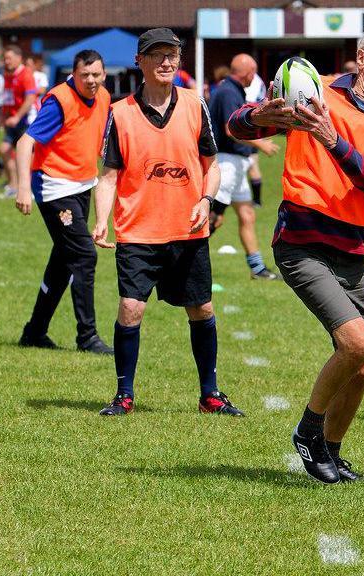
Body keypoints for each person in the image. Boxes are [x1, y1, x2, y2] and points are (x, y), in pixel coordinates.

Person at [228, 24, 364, 483]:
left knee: (363, 366)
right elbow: (235, 125)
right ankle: (308, 432)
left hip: (351, 247)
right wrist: (260, 116)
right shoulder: (314, 90)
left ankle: (329, 452)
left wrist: (330, 136)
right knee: (357, 342)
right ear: (362, 57)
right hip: (301, 241)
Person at [92, 28, 243, 418]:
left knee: (202, 309)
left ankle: (210, 395)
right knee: (130, 308)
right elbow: (108, 175)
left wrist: (206, 200)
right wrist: (101, 221)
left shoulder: (195, 104)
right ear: (139, 62)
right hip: (138, 230)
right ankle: (124, 396)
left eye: (172, 55)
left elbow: (212, 166)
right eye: (157, 55)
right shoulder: (121, 113)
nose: (166, 62)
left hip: (188, 230)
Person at [12, 49, 112, 354]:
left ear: (104, 74)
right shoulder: (60, 100)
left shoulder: (105, 97)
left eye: (96, 74)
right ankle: (87, 337)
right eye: (85, 75)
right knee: (84, 256)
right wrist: (22, 188)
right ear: (74, 73)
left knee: (63, 263)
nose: (91, 81)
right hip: (55, 188)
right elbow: (25, 141)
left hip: (82, 185)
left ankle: (34, 331)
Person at [207, 53, 280, 279]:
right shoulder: (228, 92)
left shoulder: (229, 89)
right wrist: (261, 144)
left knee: (247, 215)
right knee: (213, 218)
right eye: (254, 72)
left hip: (237, 164)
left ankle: (257, 269)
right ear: (248, 72)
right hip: (227, 164)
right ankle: (179, 262)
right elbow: (231, 130)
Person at [0, 45, 39, 199]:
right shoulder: (8, 75)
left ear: (18, 58)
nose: (6, 61)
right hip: (13, 121)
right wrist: (4, 115)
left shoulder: (26, 74)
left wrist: (17, 116)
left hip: (26, 121)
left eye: (9, 58)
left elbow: (30, 98)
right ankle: (13, 186)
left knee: (27, 156)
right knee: (4, 150)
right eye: (5, 58)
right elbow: (8, 97)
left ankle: (30, 188)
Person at [244, 71, 267, 206]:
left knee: (252, 164)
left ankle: (257, 200)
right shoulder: (259, 82)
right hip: (252, 126)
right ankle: (256, 200)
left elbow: (250, 102)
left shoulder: (255, 82)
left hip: (248, 126)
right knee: (253, 163)